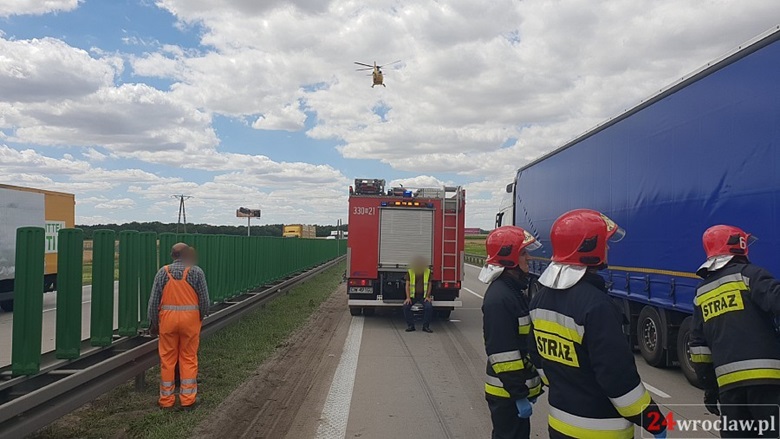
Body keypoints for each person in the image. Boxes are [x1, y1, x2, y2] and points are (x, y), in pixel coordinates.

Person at [528, 209, 666, 439]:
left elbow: (539, 358)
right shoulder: (597, 306)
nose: (609, 248)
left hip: (559, 425)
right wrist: (654, 421)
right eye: (605, 242)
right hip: (602, 431)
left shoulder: (539, 300)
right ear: (589, 248)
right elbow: (618, 378)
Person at [689, 225, 780, 438]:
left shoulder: (701, 292)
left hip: (729, 389)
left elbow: (699, 348)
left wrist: (710, 388)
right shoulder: (751, 275)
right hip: (767, 384)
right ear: (739, 247)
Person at [480, 226, 544, 439]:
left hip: (511, 391)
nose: (529, 257)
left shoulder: (512, 291)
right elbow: (502, 354)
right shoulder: (500, 298)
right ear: (509, 259)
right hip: (506, 393)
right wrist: (518, 395)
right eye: (523, 253)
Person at [148, 243, 210, 410]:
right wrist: (200, 317)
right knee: (188, 358)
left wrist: (154, 323)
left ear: (172, 255)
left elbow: (153, 302)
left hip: (167, 322)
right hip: (190, 321)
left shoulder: (163, 272)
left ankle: (166, 401)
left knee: (167, 360)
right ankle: (188, 400)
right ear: (188, 254)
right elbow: (204, 301)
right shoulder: (196, 272)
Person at [403, 256, 433, 333]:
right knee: (406, 307)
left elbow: (429, 285)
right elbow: (407, 285)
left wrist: (428, 296)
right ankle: (411, 326)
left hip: (423, 296)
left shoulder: (427, 272)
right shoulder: (410, 272)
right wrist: (408, 298)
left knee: (428, 307)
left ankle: (425, 327)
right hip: (413, 296)